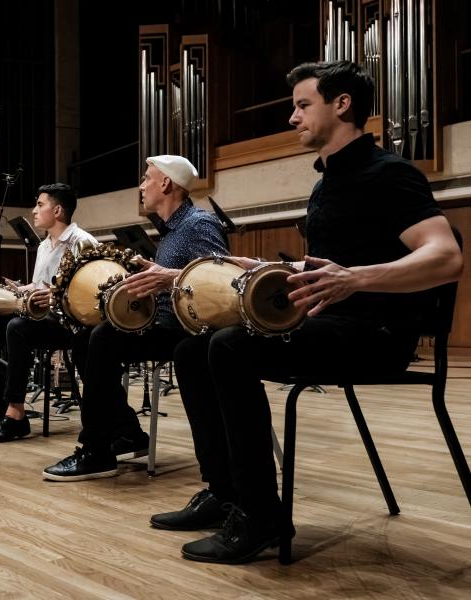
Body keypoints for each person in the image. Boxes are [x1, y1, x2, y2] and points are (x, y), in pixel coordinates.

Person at [155, 61, 463, 564]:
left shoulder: (391, 174)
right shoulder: (326, 184)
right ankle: (227, 494)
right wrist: (260, 265)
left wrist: (356, 278)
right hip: (328, 326)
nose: (293, 118)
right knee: (192, 347)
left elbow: (446, 256)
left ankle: (262, 517)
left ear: (342, 105)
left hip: (377, 335)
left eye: (302, 105)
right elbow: (328, 264)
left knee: (230, 346)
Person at [42, 156, 228, 481]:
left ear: (166, 184)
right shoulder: (170, 232)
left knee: (102, 338)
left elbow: (221, 280)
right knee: (87, 333)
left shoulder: (198, 224)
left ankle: (97, 450)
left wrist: (168, 277)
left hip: (188, 332)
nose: (141, 186)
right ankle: (124, 432)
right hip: (163, 326)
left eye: (146, 178)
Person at [0, 183, 97, 442]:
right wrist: (22, 289)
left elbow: (89, 292)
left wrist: (54, 296)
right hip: (40, 315)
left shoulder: (82, 242)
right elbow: (41, 285)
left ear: (58, 210)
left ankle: (15, 415)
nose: (34, 211)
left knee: (17, 328)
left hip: (68, 323)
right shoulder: (44, 245)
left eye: (40, 205)